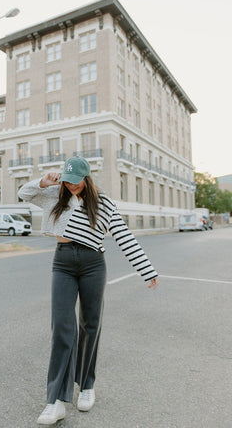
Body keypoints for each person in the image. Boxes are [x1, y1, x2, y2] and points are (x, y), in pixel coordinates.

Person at [18, 156, 159, 425]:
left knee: (90, 325)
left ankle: (85, 385)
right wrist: (42, 181)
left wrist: (146, 269)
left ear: (87, 178)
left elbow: (123, 235)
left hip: (93, 263)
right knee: (62, 326)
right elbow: (24, 193)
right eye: (67, 180)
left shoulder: (102, 202)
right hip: (63, 262)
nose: (71, 185)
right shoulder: (54, 195)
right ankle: (55, 400)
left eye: (77, 181)